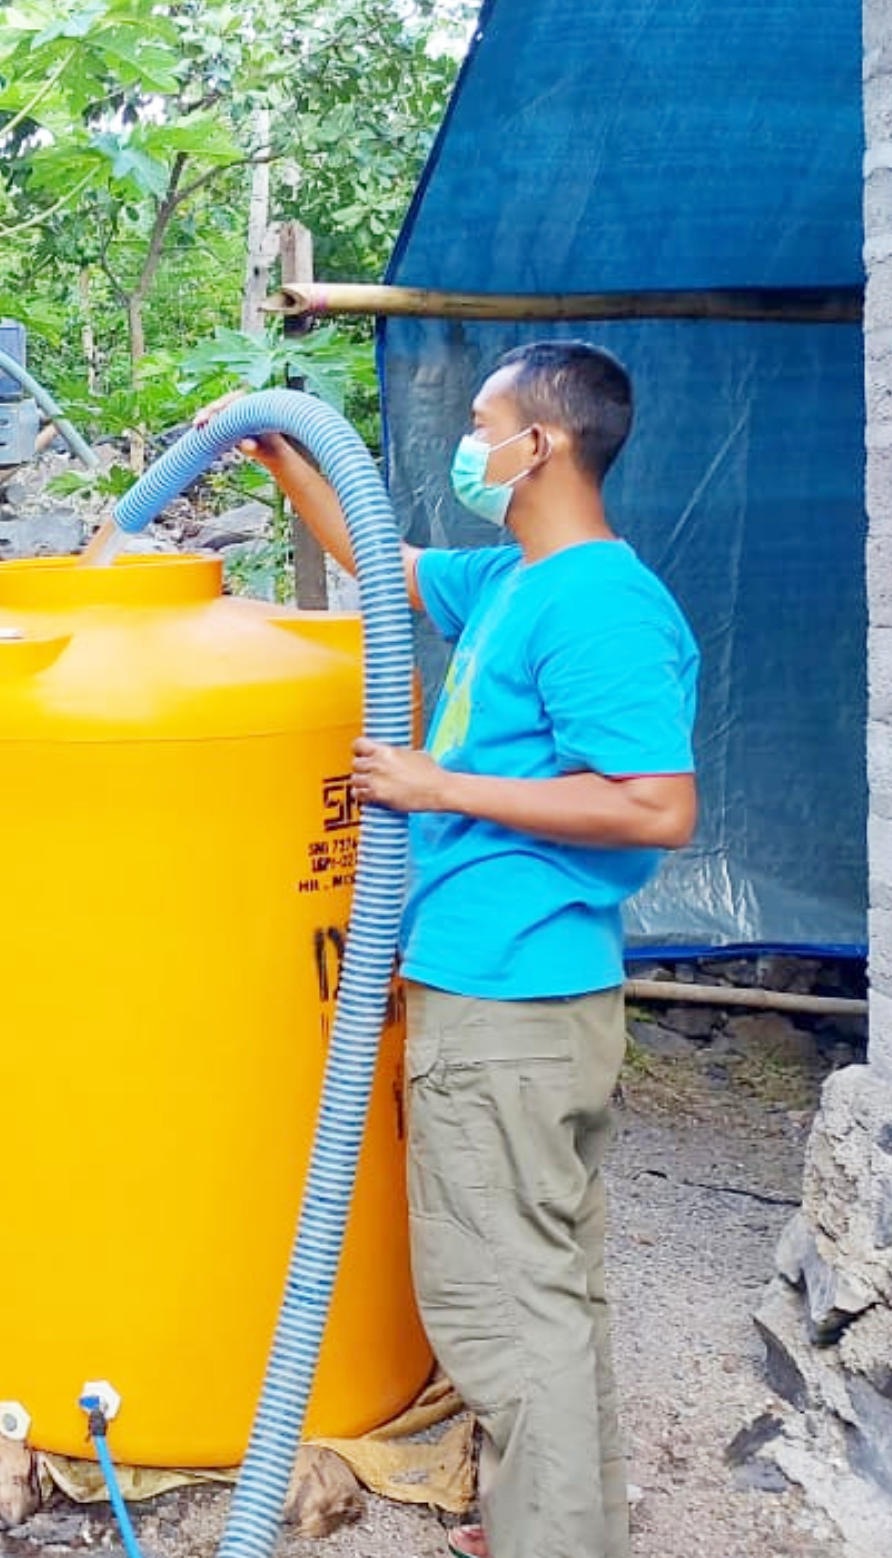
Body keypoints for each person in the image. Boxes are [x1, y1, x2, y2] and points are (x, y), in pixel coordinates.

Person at [232, 341, 699, 1558]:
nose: (468, 443)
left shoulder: (596, 599)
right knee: (550, 1296)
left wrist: (443, 787)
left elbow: (655, 805)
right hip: (512, 1000)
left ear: (536, 445)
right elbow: (378, 569)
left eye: (483, 421)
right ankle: (566, 1530)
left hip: (513, 1007)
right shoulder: (514, 578)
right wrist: (287, 458)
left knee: (500, 1312)